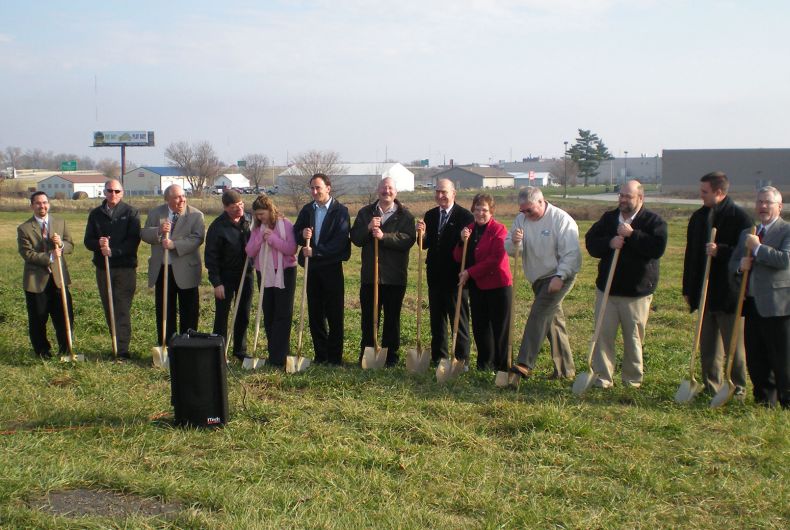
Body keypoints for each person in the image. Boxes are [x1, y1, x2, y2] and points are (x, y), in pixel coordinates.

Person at [584, 180, 668, 388]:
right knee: (603, 335)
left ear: (640, 198)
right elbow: (591, 242)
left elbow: (657, 249)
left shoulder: (653, 221)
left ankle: (632, 379)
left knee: (633, 338)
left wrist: (632, 235)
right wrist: (609, 243)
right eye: (621, 195)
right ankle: (603, 377)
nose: (622, 199)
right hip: (608, 290)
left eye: (627, 196)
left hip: (636, 293)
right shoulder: (609, 218)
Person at [682, 171, 752, 396]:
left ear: (719, 192)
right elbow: (691, 255)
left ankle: (737, 389)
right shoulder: (698, 217)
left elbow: (745, 254)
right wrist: (688, 288)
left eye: (705, 192)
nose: (701, 195)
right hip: (705, 292)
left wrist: (720, 250)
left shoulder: (740, 219)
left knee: (733, 347)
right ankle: (711, 386)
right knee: (708, 345)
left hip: (729, 293)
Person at [505, 187, 582, 379]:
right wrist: (515, 242)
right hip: (538, 279)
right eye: (522, 210)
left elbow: (571, 254)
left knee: (538, 314)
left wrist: (560, 276)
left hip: (558, 275)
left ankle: (524, 363)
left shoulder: (561, 220)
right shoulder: (521, 219)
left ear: (541, 201)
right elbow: (511, 250)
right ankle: (565, 370)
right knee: (553, 322)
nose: (525, 214)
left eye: (529, 210)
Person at [730, 186, 790, 408]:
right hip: (752, 304)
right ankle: (764, 400)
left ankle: (787, 401)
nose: (763, 206)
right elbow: (734, 262)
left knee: (782, 359)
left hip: (778, 306)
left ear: (779, 206)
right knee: (756, 357)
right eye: (759, 202)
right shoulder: (749, 232)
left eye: (768, 202)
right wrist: (739, 266)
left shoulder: (786, 230)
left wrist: (757, 249)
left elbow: (785, 260)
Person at [350, 177, 416, 366]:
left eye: (390, 188)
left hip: (395, 277)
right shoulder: (366, 213)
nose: (386, 191)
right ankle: (368, 354)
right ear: (378, 190)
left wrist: (383, 236)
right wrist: (368, 227)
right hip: (371, 277)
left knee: (392, 320)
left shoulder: (405, 216)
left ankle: (390, 357)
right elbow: (355, 238)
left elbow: (408, 239)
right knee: (369, 318)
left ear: (396, 192)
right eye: (383, 188)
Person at [293, 173, 351, 366]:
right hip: (312, 269)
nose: (315, 191)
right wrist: (302, 233)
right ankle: (321, 354)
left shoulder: (340, 211)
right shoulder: (308, 210)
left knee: (334, 314)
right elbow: (296, 233)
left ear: (328, 188)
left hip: (331, 267)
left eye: (318, 188)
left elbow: (340, 242)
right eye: (312, 188)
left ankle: (334, 357)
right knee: (315, 313)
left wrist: (316, 252)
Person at [416, 178, 474, 366]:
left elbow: (469, 247)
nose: (440, 195)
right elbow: (424, 245)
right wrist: (422, 235)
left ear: (453, 194)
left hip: (456, 277)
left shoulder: (465, 217)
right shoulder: (431, 215)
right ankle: (439, 357)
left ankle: (461, 359)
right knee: (437, 320)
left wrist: (463, 239)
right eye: (437, 192)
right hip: (435, 275)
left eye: (444, 192)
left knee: (458, 319)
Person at [453, 193, 512, 371]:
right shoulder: (469, 229)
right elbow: (457, 257)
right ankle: (484, 363)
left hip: (498, 285)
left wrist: (470, 272)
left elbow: (495, 259)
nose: (480, 213)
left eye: (484, 210)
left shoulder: (499, 230)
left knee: (499, 327)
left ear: (491, 211)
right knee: (480, 325)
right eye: (477, 209)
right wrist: (462, 242)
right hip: (478, 286)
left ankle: (502, 366)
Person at [83, 179, 141, 359]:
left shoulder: (131, 212)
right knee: (109, 307)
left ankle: (122, 351)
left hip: (124, 268)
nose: (113, 194)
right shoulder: (95, 214)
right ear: (104, 192)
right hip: (103, 268)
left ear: (122, 193)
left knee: (121, 307)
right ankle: (115, 343)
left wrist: (113, 251)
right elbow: (87, 241)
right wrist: (98, 243)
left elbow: (133, 241)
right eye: (109, 191)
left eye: (117, 191)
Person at [141, 184, 205, 343]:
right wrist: (159, 231)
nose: (182, 200)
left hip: (186, 271)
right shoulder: (156, 213)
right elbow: (144, 233)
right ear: (167, 199)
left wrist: (175, 245)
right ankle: (166, 345)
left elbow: (197, 238)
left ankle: (187, 345)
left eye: (183, 196)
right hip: (163, 270)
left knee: (189, 311)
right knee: (164, 311)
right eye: (177, 197)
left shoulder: (196, 215)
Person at [17, 191, 74, 359]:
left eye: (45, 202)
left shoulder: (60, 222)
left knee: (64, 316)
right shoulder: (24, 228)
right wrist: (50, 257)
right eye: (38, 203)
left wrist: (61, 245)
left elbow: (70, 245)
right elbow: (27, 254)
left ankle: (66, 350)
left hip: (59, 279)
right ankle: (43, 352)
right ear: (32, 206)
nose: (42, 206)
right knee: (38, 318)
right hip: (36, 281)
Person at [245, 194, 297, 367]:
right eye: (257, 215)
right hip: (264, 272)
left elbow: (291, 249)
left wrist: (273, 240)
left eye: (262, 214)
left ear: (270, 210)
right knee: (269, 312)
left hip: (285, 272)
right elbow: (250, 251)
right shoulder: (255, 228)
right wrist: (260, 238)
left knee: (283, 313)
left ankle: (281, 355)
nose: (260, 217)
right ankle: (273, 351)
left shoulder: (286, 224)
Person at [205, 190, 253, 361]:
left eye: (241, 205)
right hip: (225, 277)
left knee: (243, 313)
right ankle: (220, 350)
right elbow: (211, 257)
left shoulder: (249, 220)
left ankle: (240, 351)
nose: (239, 209)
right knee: (222, 315)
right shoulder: (217, 227)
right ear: (225, 208)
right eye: (234, 207)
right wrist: (216, 282)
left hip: (246, 275)